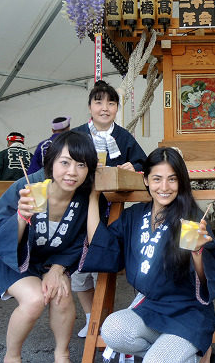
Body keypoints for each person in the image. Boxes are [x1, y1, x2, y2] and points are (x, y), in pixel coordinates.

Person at [79, 147, 215, 362]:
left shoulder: (192, 221)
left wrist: (197, 252)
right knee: (112, 330)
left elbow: (206, 280)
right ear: (145, 180)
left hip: (188, 314)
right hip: (151, 308)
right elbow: (103, 244)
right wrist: (93, 196)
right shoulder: (134, 215)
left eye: (172, 179)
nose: (164, 187)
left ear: (181, 181)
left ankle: (185, 348)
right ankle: (186, 354)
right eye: (157, 179)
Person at [0, 130, 98, 363]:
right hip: (11, 259)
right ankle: (12, 356)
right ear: (51, 162)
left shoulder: (84, 197)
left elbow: (81, 240)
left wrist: (58, 268)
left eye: (81, 165)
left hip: (49, 261)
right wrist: (21, 217)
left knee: (62, 293)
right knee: (35, 299)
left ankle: (62, 354)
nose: (72, 172)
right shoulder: (26, 187)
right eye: (65, 162)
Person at [72, 80, 148, 337]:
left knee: (118, 261)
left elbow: (143, 163)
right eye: (99, 102)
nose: (105, 108)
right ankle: (92, 317)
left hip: (115, 211)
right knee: (79, 267)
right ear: (90, 106)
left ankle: (133, 314)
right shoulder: (77, 135)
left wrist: (133, 168)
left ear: (117, 107)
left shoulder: (124, 136)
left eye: (111, 103)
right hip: (82, 210)